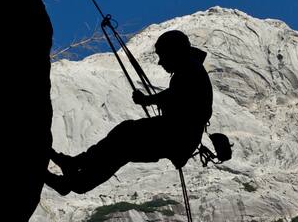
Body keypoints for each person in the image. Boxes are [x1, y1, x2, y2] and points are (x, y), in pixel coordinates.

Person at [44, 30, 213, 195]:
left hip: (177, 135)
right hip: (180, 137)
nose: (160, 62)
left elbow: (177, 95)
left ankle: (76, 169)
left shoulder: (190, 69)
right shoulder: (191, 69)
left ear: (173, 52)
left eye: (163, 56)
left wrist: (147, 100)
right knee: (123, 148)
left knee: (125, 136)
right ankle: (75, 180)